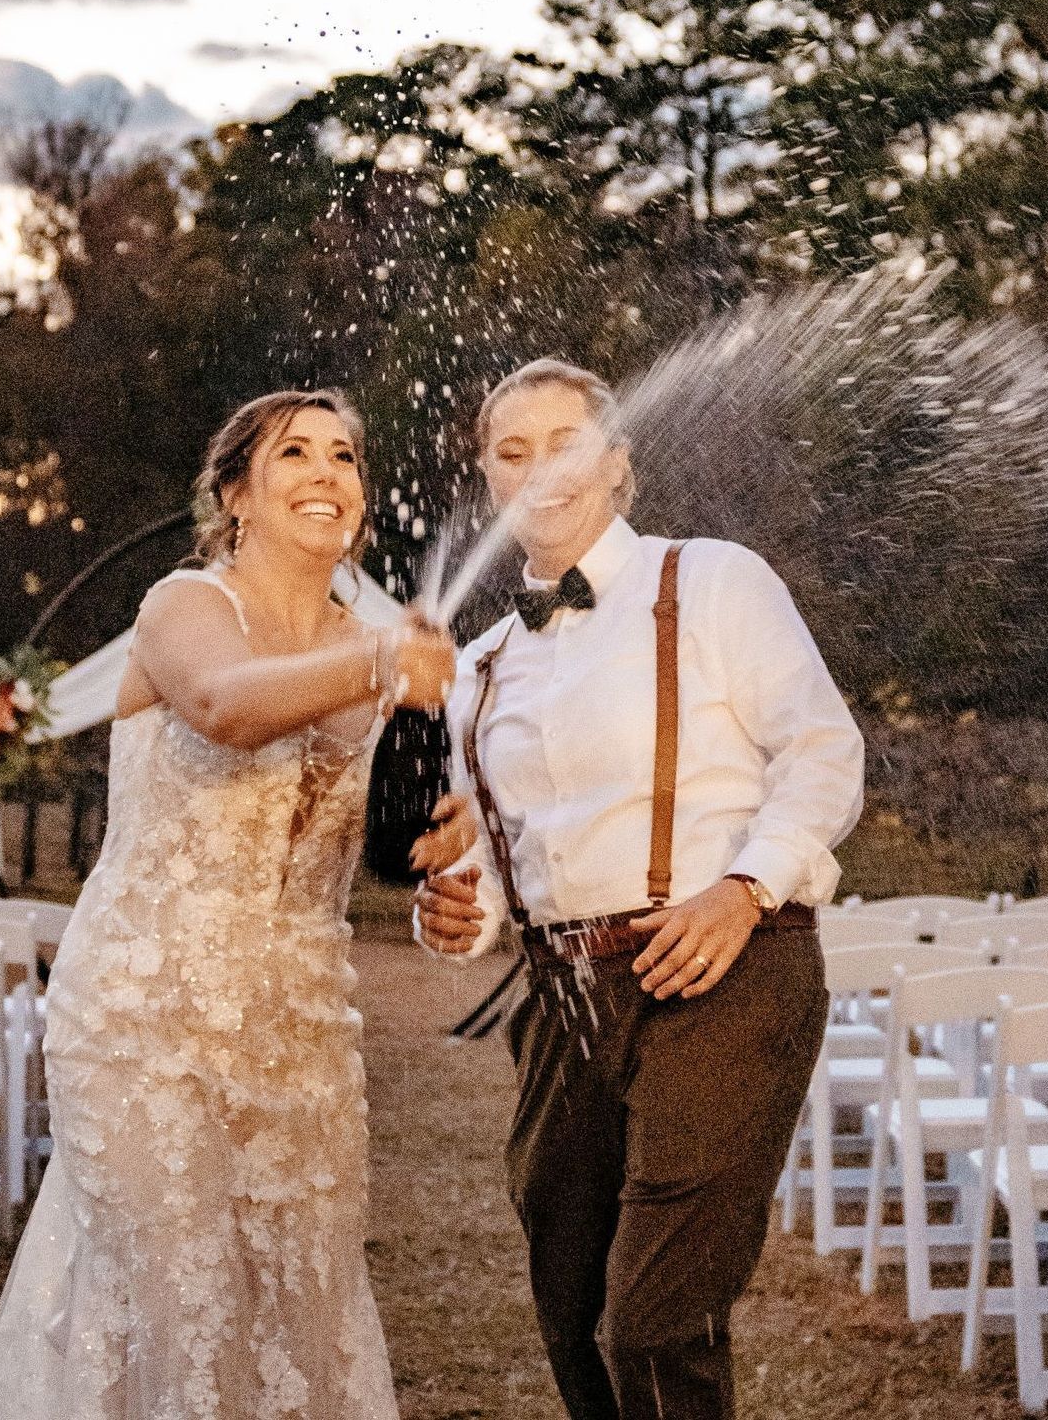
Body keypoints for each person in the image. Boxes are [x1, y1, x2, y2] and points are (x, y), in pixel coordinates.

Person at [0, 389, 455, 1420]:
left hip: (302, 1032)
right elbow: (225, 707)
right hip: (145, 1019)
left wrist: (458, 883)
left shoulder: (372, 639)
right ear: (234, 492)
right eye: (294, 454)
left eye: (344, 458)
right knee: (177, 1298)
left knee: (297, 1306)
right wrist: (376, 658)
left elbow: (412, 831)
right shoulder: (185, 608)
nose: (328, 474)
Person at [415, 358, 865, 1420]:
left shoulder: (710, 580)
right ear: (488, 478)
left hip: (723, 974)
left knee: (655, 1321)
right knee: (570, 1307)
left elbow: (822, 753)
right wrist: (456, 916)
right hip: (562, 1005)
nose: (540, 472)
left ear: (617, 466)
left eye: (565, 445)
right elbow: (490, 874)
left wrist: (743, 889)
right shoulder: (476, 667)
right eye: (511, 453)